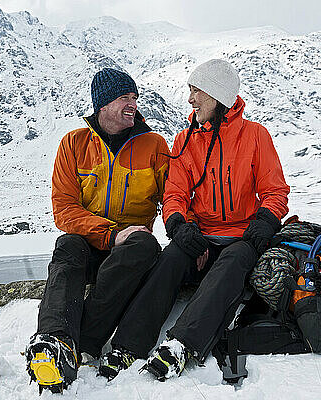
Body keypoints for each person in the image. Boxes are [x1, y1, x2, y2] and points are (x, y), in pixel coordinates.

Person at [97, 59, 290, 381]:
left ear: (218, 95)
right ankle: (127, 346)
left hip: (242, 238)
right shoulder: (185, 141)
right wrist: (179, 227)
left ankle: (181, 345)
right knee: (170, 258)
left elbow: (275, 191)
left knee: (234, 259)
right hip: (200, 238)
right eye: (190, 90)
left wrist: (263, 224)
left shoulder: (256, 136)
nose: (191, 99)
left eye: (196, 91)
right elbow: (174, 194)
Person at [25, 67, 169, 392]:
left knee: (145, 246)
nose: (132, 104)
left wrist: (188, 232)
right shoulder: (73, 144)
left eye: (135, 97)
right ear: (102, 104)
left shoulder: (155, 145)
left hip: (129, 251)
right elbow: (64, 209)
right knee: (67, 245)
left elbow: (173, 198)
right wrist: (110, 233)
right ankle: (54, 340)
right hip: (90, 243)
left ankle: (83, 344)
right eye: (124, 98)